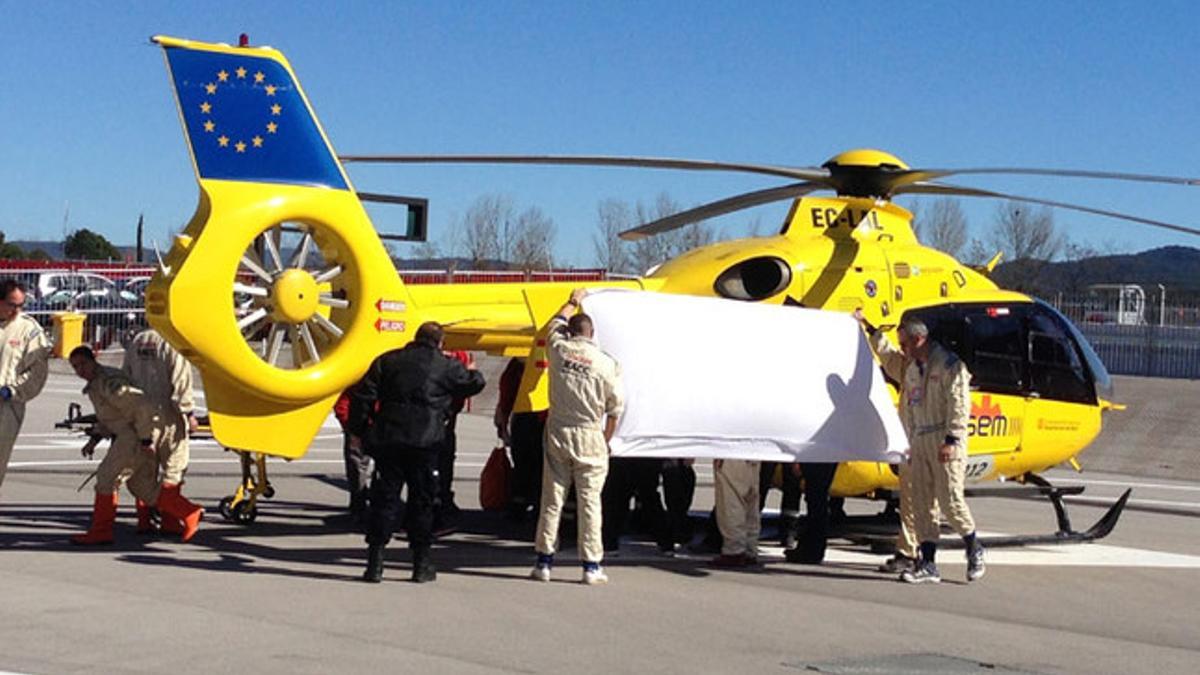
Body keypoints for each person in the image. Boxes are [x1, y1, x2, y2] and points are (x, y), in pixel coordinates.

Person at [349, 322, 485, 583]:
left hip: (391, 437)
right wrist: (473, 372)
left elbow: (363, 396)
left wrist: (360, 431)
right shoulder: (446, 365)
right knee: (422, 502)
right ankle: (421, 564)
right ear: (440, 342)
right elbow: (474, 384)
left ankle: (375, 563)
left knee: (384, 499)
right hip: (426, 441)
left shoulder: (388, 361)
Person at [856, 309, 985, 583]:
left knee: (950, 501)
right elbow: (889, 359)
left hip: (944, 440)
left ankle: (973, 546)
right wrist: (869, 329)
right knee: (922, 503)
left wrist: (952, 440)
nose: (902, 349)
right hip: (919, 440)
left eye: (905, 344)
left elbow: (959, 406)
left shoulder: (950, 366)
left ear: (918, 340)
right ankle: (927, 562)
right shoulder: (911, 367)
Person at [530, 288, 623, 585]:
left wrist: (572, 301)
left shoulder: (559, 350)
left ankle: (544, 561)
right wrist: (606, 441)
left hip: (559, 428)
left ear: (571, 333)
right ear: (592, 333)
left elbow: (553, 323)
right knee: (590, 501)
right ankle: (591, 566)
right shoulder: (606, 363)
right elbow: (614, 409)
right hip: (590, 433)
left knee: (552, 498)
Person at [68, 346, 204, 544]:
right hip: (134, 435)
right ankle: (189, 512)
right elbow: (110, 417)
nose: (80, 370)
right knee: (141, 486)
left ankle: (101, 531)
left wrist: (145, 439)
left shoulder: (109, 383)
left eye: (83, 364)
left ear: (93, 359)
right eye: (75, 366)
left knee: (106, 479)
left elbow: (141, 407)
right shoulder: (98, 383)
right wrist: (94, 439)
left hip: (132, 437)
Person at [121, 327, 198, 534]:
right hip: (168, 414)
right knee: (174, 468)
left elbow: (125, 377)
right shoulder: (172, 341)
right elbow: (181, 379)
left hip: (141, 415)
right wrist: (188, 411)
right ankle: (172, 519)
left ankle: (144, 519)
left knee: (144, 469)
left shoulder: (137, 340)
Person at [0, 279, 51, 495]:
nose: (16, 310)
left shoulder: (28, 330)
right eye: (12, 304)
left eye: (21, 305)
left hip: (7, 405)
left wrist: (12, 390)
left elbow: (37, 372)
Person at [434, 349, 473, 534]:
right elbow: (470, 383)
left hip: (445, 416)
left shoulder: (460, 353)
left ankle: (444, 498)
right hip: (439, 416)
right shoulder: (457, 357)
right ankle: (435, 511)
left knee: (445, 460)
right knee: (437, 462)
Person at [783, 462, 838, 564]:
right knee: (817, 497)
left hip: (818, 456)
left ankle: (812, 549)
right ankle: (813, 547)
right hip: (828, 454)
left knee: (816, 497)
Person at [710, 458, 761, 567]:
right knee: (750, 501)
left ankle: (734, 550)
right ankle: (749, 547)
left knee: (731, 500)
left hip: (732, 453)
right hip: (754, 452)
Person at [333, 386, 371, 527]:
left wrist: (347, 423)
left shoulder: (356, 376)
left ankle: (359, 507)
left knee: (356, 468)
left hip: (359, 424)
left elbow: (343, 401)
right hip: (372, 424)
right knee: (358, 468)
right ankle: (361, 507)